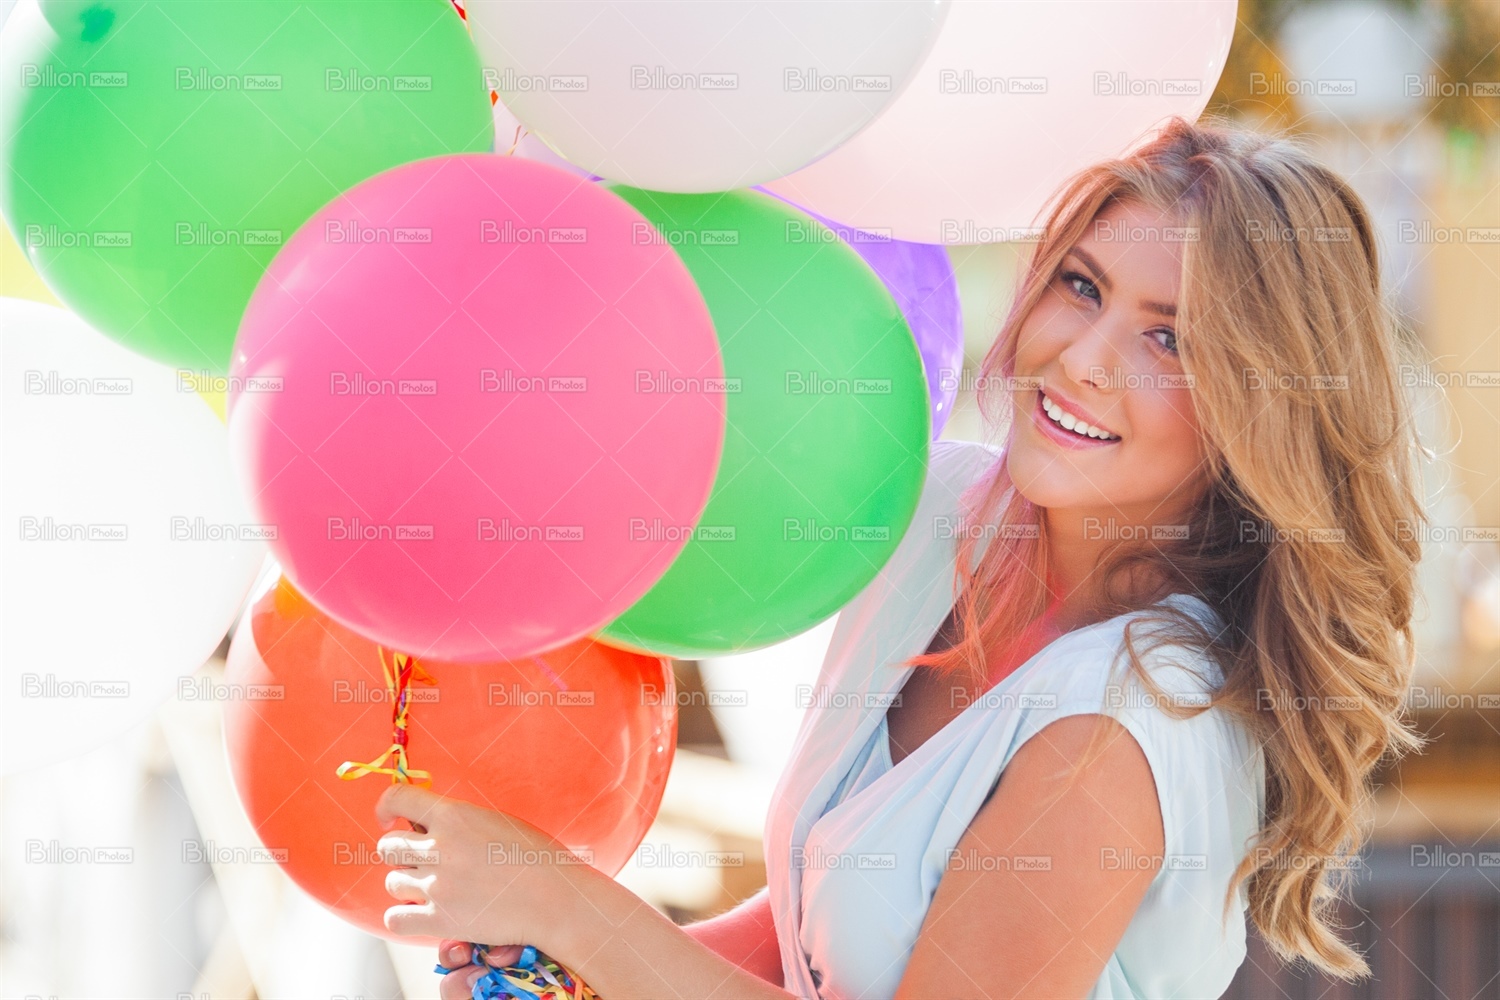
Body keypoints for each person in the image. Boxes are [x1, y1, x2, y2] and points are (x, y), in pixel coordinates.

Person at [379, 113, 1430, 999]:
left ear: (1256, 413)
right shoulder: (932, 514)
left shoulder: (1126, 726)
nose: (1083, 358)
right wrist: (564, 968)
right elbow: (821, 921)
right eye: (1081, 284)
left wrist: (567, 904)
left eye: (1170, 340)